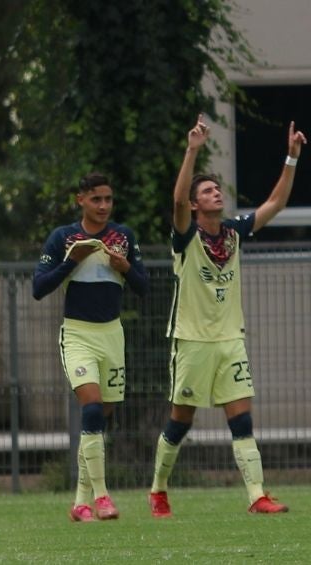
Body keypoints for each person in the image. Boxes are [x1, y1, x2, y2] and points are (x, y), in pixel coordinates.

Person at [148, 115, 306, 517]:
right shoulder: (186, 236)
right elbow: (177, 200)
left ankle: (257, 495)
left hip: (230, 340)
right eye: (208, 191)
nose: (216, 193)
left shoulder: (233, 232)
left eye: (217, 189)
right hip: (192, 341)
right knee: (181, 421)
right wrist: (192, 150)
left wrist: (291, 159)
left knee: (242, 419)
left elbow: (276, 204)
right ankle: (159, 489)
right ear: (197, 204)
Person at [33, 173, 148, 522]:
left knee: (99, 420)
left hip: (112, 335)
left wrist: (125, 267)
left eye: (108, 200)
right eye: (96, 199)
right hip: (78, 335)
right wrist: (73, 259)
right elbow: (38, 287)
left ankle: (80, 501)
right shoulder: (64, 238)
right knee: (93, 409)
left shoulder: (123, 237)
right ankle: (102, 497)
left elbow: (145, 286)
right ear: (80, 200)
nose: (103, 206)